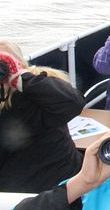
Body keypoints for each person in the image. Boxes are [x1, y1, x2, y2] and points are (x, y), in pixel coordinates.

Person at [0, 40, 84, 193]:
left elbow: (73, 103)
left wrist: (19, 79)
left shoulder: (39, 93)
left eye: (3, 64)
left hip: (55, 183)